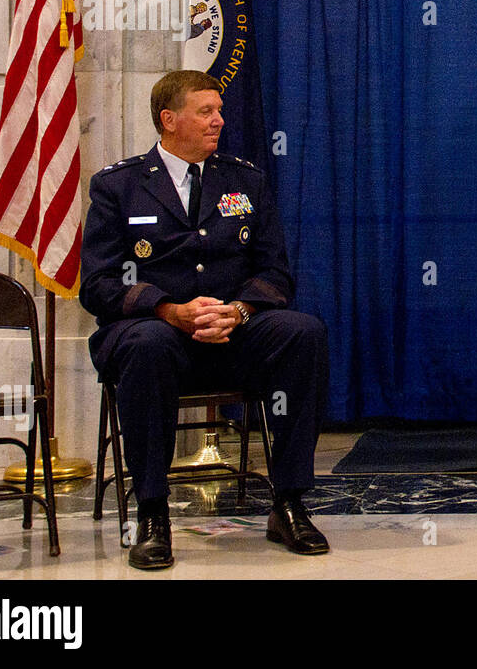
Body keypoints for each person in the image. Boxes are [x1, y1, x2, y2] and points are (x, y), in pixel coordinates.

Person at [80, 70, 330, 570]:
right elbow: (99, 285)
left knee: (303, 333)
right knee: (147, 344)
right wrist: (169, 310)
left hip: (231, 333)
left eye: (219, 110)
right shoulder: (119, 186)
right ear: (169, 120)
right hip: (155, 335)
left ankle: (289, 502)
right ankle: (152, 513)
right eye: (206, 111)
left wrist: (237, 311)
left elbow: (275, 272)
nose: (219, 120)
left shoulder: (245, 180)